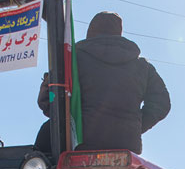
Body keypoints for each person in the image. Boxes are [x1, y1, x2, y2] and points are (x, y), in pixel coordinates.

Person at [35, 11, 170, 154]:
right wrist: (135, 126)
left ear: (90, 31)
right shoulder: (143, 67)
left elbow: (47, 99)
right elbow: (162, 103)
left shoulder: (72, 60)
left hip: (79, 143)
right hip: (126, 145)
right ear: (119, 33)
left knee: (46, 134)